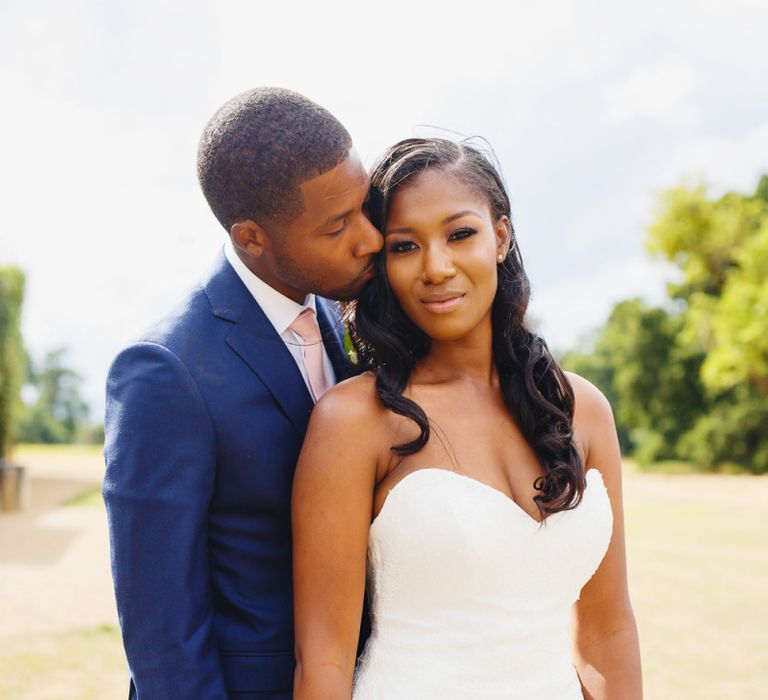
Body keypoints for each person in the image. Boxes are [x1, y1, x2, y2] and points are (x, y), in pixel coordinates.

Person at [292, 137, 643, 699]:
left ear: (500, 237)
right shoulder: (356, 421)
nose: (436, 267)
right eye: (405, 246)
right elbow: (324, 663)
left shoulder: (583, 410)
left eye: (460, 235)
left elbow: (607, 628)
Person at [103, 87, 381, 699]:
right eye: (338, 226)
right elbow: (161, 631)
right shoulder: (164, 370)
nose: (370, 239)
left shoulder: (338, 315)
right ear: (252, 238)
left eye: (367, 208)